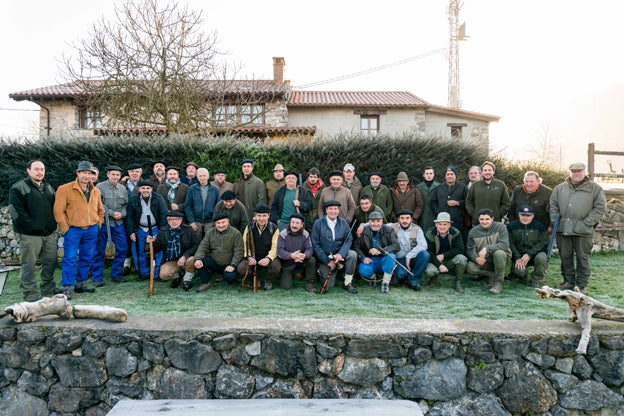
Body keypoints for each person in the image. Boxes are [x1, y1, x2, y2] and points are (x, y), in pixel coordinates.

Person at [550, 162, 606, 294]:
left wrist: (586, 223)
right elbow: (553, 206)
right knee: (565, 256)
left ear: (584, 172)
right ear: (570, 172)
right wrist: (555, 221)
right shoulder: (559, 188)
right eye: (573, 171)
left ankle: (581, 285)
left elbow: (600, 208)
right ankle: (568, 281)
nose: (576, 174)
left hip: (583, 231)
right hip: (563, 230)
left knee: (582, 257)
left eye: (579, 171)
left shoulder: (595, 188)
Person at [8, 160, 60, 301]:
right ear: (28, 171)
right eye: (36, 169)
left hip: (48, 232)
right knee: (29, 264)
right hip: (29, 234)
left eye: (42, 169)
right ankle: (30, 293)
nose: (40, 172)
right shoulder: (18, 188)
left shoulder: (48, 187)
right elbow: (15, 211)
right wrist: (31, 225)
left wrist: (52, 224)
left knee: (50, 260)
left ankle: (48, 287)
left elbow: (54, 207)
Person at [53, 161, 105, 299]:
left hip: (91, 229)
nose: (86, 176)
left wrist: (99, 222)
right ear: (78, 173)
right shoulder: (65, 189)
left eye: (89, 173)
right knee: (70, 258)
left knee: (87, 257)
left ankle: (80, 284)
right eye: (84, 172)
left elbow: (100, 209)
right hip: (73, 230)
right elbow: (58, 211)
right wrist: (65, 228)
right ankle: (67, 287)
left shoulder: (96, 191)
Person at [93, 165, 129, 285]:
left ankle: (116, 275)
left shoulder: (122, 188)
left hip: (118, 224)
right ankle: (97, 277)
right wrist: (112, 213)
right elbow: (98, 205)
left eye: (118, 175)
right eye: (113, 174)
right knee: (99, 249)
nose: (115, 177)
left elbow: (125, 205)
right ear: (108, 174)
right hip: (104, 223)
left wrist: (122, 214)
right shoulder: (100, 187)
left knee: (123, 247)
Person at [146, 210, 200, 291]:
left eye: (177, 219)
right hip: (171, 260)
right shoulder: (163, 231)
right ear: (168, 220)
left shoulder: (189, 230)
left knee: (191, 260)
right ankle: (179, 275)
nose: (174, 221)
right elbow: (156, 249)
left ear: (181, 220)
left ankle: (187, 281)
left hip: (187, 258)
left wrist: (185, 256)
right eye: (171, 219)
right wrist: (148, 243)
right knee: (163, 275)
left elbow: (197, 245)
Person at [311, 200, 358, 294]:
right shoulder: (318, 223)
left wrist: (341, 254)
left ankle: (347, 283)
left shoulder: (343, 223)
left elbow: (349, 239)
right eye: (330, 209)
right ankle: (322, 271)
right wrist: (327, 261)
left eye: (335, 209)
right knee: (329, 285)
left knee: (353, 254)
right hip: (326, 257)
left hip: (339, 255)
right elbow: (315, 244)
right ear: (326, 210)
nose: (333, 211)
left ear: (338, 210)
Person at [125, 180, 168, 281]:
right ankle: (143, 273)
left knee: (158, 251)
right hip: (140, 228)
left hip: (154, 228)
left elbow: (163, 216)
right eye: (143, 188)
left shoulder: (158, 199)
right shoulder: (133, 200)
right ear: (139, 189)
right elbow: (129, 217)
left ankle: (156, 274)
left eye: (148, 188)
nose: (145, 190)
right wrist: (131, 232)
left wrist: (161, 233)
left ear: (151, 189)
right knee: (138, 251)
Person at [193, 212, 244, 291]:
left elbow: (239, 251)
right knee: (201, 261)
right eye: (218, 223)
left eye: (223, 222)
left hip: (229, 263)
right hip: (215, 261)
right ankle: (206, 282)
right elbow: (203, 246)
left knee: (230, 278)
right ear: (215, 223)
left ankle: (230, 278)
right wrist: (197, 259)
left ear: (228, 221)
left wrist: (233, 265)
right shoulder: (210, 232)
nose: (221, 225)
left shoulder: (236, 233)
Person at [466, 208, 511, 295]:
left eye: (487, 219)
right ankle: (489, 275)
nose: (484, 222)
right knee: (470, 267)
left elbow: (505, 245)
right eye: (481, 219)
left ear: (492, 219)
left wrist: (487, 248)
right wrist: (476, 259)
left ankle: (498, 283)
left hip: (501, 258)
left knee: (499, 253)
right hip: (485, 260)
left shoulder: (500, 227)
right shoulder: (473, 232)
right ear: (478, 219)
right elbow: (469, 250)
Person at [353, 211, 400, 293]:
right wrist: (363, 258)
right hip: (371, 259)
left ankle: (385, 282)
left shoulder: (389, 230)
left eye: (378, 221)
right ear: (369, 222)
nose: (376, 224)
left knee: (392, 256)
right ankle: (373, 277)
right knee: (363, 270)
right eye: (373, 221)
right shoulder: (363, 231)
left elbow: (396, 246)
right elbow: (356, 247)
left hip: (384, 259)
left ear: (382, 221)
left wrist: (380, 250)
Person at [237, 204, 281, 290]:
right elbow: (245, 244)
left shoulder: (274, 228)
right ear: (255, 216)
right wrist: (249, 257)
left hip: (267, 257)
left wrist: (268, 258)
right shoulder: (249, 227)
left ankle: (268, 280)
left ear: (268, 216)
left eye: (264, 216)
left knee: (276, 266)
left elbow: (275, 247)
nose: (261, 218)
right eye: (259, 216)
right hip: (253, 257)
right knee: (241, 268)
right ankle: (255, 278)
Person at [424, 212, 468, 293]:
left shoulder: (455, 233)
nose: (442, 227)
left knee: (462, 258)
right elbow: (428, 252)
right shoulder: (429, 234)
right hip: (434, 260)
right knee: (430, 272)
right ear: (436, 224)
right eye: (440, 224)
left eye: (445, 224)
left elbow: (460, 249)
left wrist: (444, 255)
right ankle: (433, 279)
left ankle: (458, 282)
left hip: (449, 260)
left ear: (449, 225)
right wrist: (439, 265)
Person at [507, 205, 549, 288]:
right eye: (523, 215)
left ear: (532, 216)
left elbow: (543, 242)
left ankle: (537, 279)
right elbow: (510, 243)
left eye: (528, 215)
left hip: (535, 254)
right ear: (519, 215)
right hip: (519, 256)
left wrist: (529, 254)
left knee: (542, 258)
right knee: (519, 271)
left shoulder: (540, 226)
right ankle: (523, 277)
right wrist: (517, 257)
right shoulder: (511, 226)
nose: (525, 218)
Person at [388, 209, 430, 291]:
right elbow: (378, 224)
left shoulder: (417, 229)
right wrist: (362, 225)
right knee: (400, 275)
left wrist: (409, 256)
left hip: (412, 257)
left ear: (411, 219)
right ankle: (406, 276)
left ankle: (414, 281)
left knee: (425, 254)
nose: (405, 220)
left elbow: (423, 245)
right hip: (400, 259)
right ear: (398, 219)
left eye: (407, 218)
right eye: (402, 218)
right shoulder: (392, 226)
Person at [277, 213, 317, 292]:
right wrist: (291, 255)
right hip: (288, 262)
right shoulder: (283, 234)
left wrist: (304, 255)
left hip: (301, 260)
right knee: (286, 287)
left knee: (311, 260)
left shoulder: (306, 234)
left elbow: (309, 249)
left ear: (302, 225)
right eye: (293, 222)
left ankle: (310, 283)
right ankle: (290, 276)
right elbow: (279, 250)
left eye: (297, 223)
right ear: (290, 223)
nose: (294, 225)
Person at [466, 161, 510, 226]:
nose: (487, 172)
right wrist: (475, 215)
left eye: (489, 170)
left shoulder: (500, 185)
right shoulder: (475, 185)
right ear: (482, 172)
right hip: (478, 223)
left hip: (495, 223)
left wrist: (498, 214)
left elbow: (506, 203)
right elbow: (468, 202)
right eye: (485, 170)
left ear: (493, 171)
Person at [431, 166, 468, 242]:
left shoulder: (463, 187)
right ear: (445, 176)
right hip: (442, 222)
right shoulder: (439, 188)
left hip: (457, 221)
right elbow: (433, 202)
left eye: (452, 174)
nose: (450, 176)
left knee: (456, 240)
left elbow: (468, 202)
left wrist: (457, 203)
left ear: (455, 175)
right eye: (448, 174)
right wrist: (438, 212)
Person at [184, 168, 220, 239]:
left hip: (210, 221)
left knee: (210, 241)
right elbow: (187, 206)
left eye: (204, 175)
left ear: (208, 176)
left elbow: (218, 206)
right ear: (197, 177)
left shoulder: (215, 189)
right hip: (196, 221)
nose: (202, 178)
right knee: (195, 242)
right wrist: (191, 221)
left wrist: (215, 221)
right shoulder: (192, 189)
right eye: (200, 176)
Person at [121, 162, 143, 276]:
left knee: (139, 239)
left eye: (137, 171)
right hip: (125, 216)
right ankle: (127, 264)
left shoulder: (144, 184)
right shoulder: (121, 185)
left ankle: (140, 265)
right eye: (132, 171)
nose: (134, 173)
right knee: (127, 239)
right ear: (128, 173)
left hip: (140, 216)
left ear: (140, 173)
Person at [415, 166, 440, 232]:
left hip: (435, 215)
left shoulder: (439, 186)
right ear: (424, 175)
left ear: (433, 174)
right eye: (427, 173)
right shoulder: (418, 187)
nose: (429, 175)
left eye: (431, 173)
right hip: (422, 215)